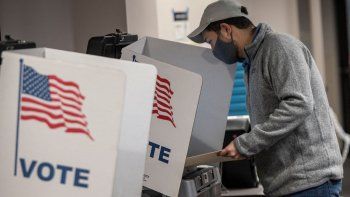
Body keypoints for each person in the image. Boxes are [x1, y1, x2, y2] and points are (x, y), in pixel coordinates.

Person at [188, 0, 343, 196]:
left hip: (308, 183)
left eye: (211, 41)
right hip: (287, 184)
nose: (212, 49)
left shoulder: (279, 47)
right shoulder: (252, 62)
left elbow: (299, 104)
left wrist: (247, 144)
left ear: (226, 30)